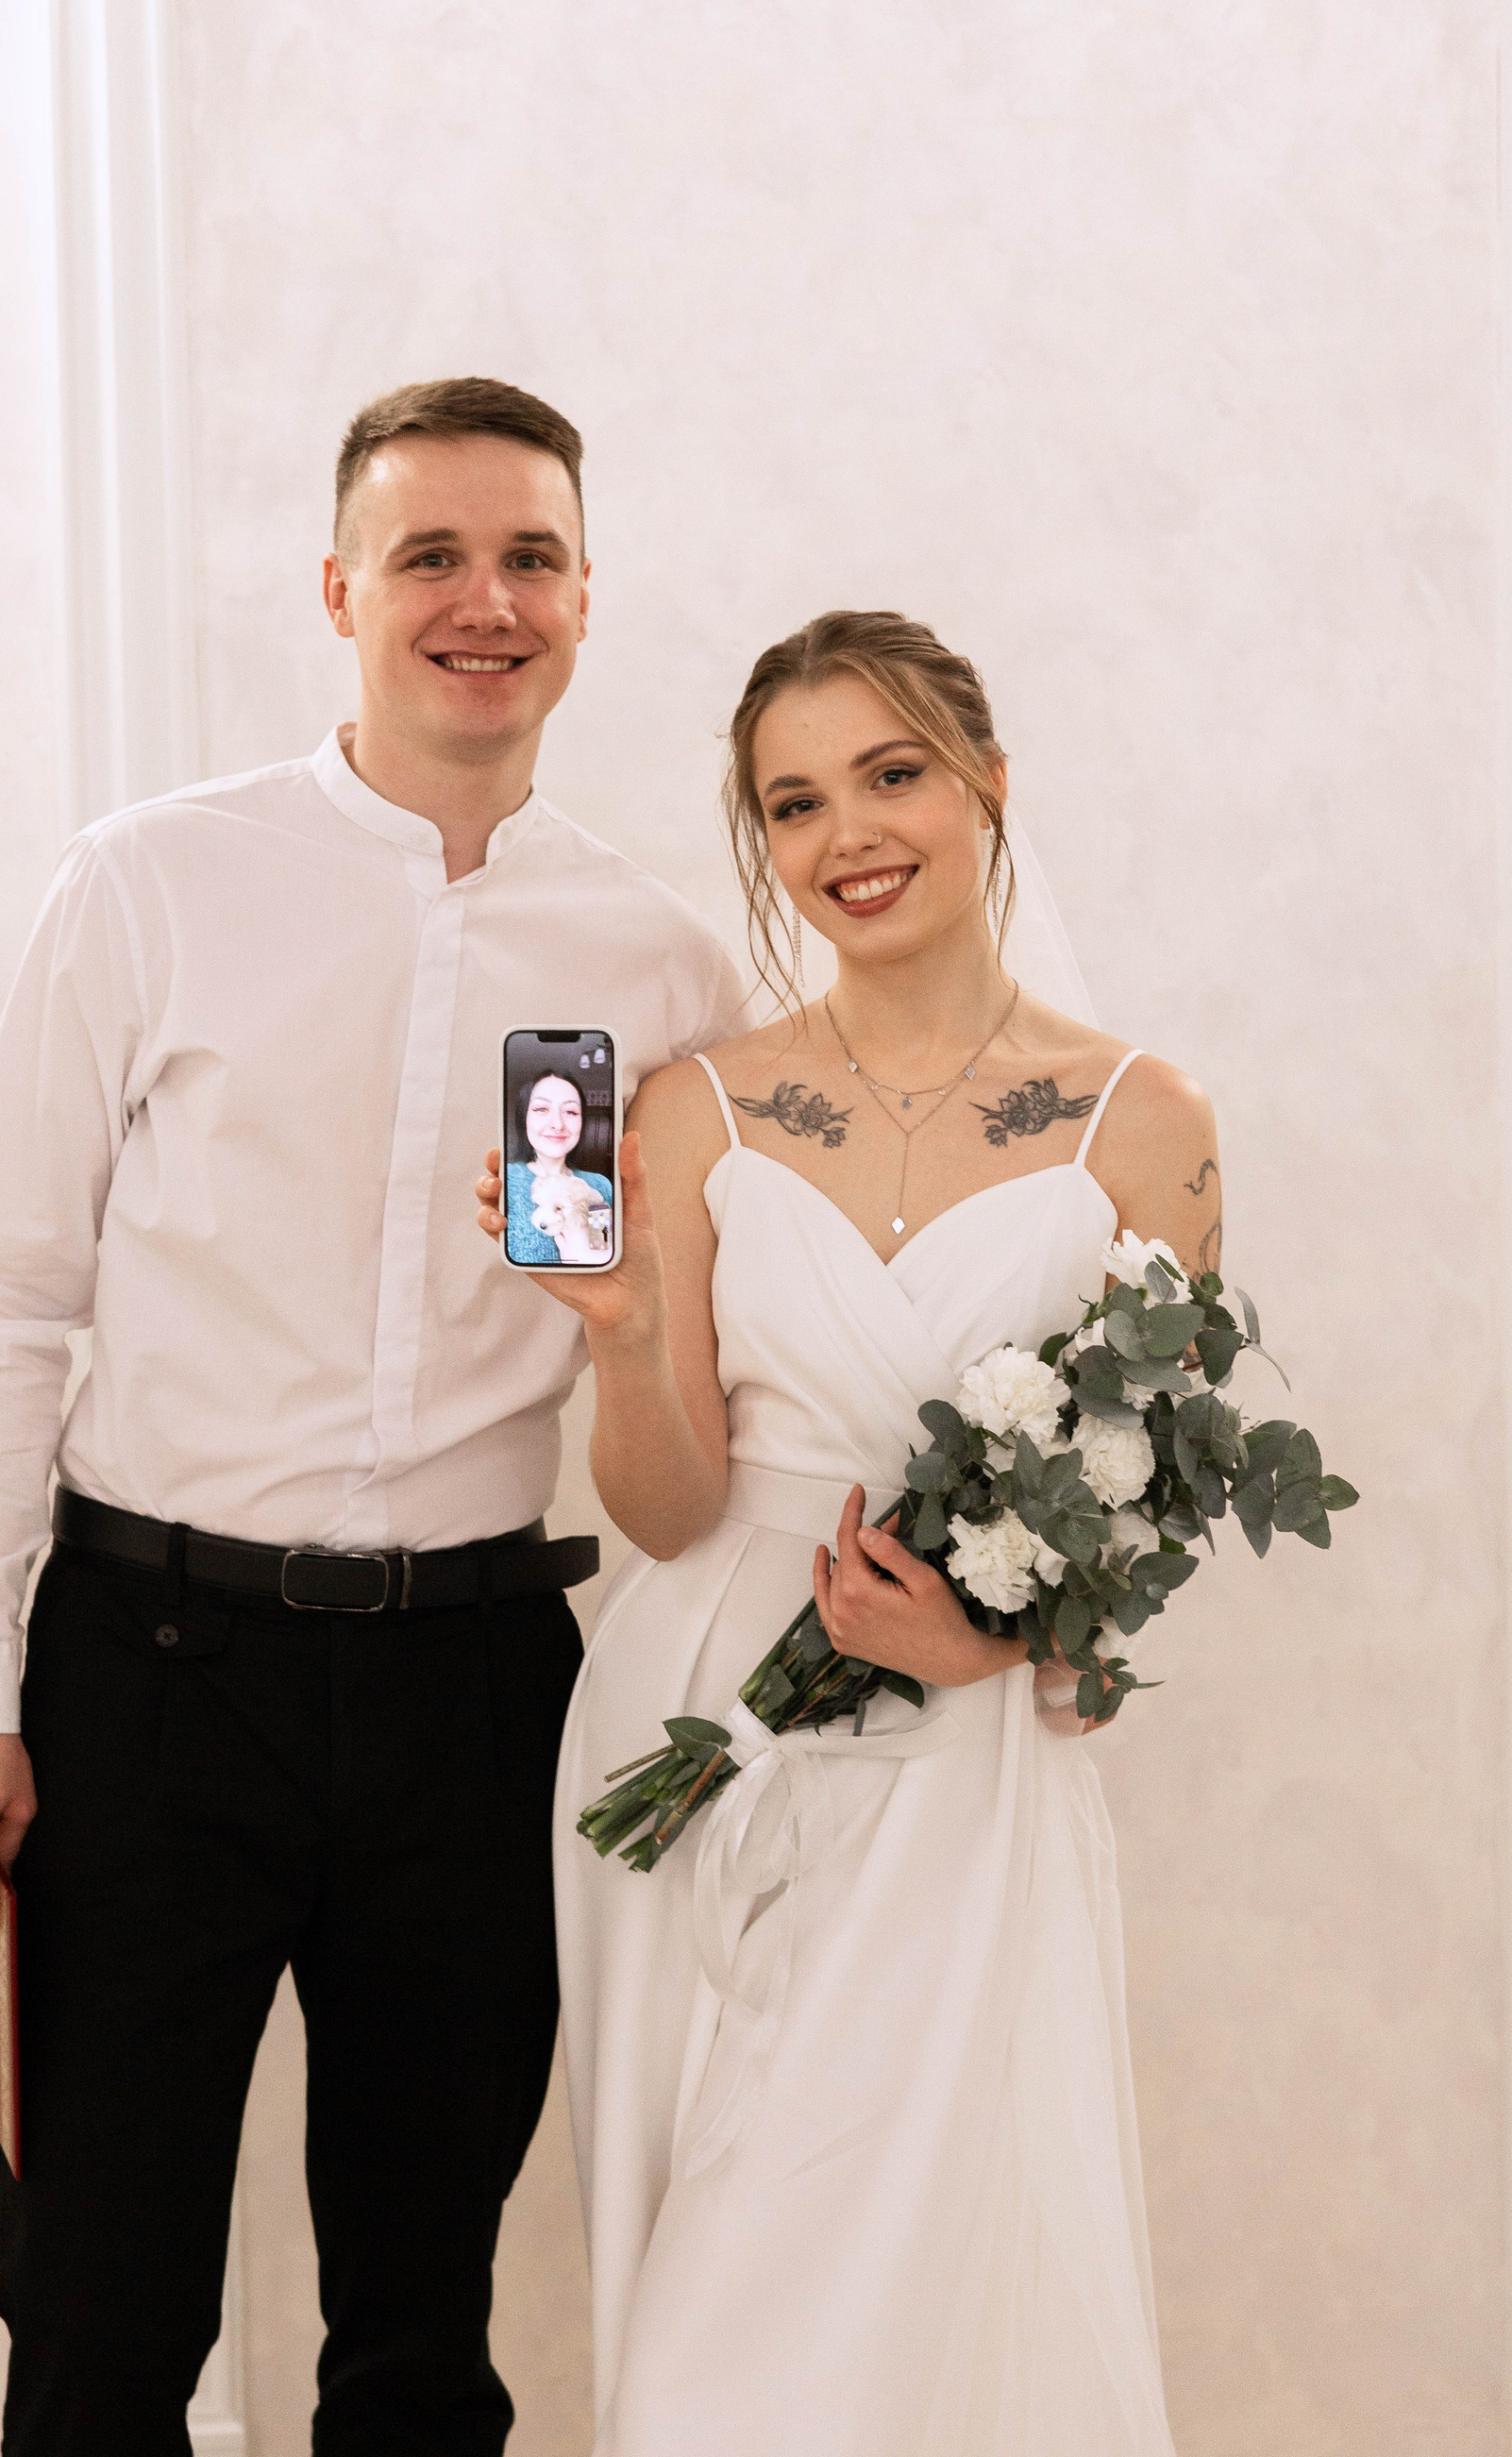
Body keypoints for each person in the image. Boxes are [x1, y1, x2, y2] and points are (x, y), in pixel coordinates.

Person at [0, 375, 746, 2457]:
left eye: (530, 557)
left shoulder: (662, 965)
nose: (484, 601)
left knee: (423, 2334)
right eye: (431, 554)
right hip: (149, 1679)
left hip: (479, 1693)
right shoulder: (151, 885)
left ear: (588, 595)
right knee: (95, 2311)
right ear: (342, 588)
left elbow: (711, 1354)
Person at [477, 611, 1218, 2454]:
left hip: (962, 1760)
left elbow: (1152, 1509)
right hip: (700, 1732)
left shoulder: (1146, 1122)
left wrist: (990, 1640)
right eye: (794, 802)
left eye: (891, 774)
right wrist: (624, 1331)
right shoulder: (693, 1109)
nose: (848, 834)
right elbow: (666, 1508)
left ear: (987, 783)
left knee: (920, 2274)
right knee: (715, 2298)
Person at [505, 1067, 615, 1265]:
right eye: (542, 1109)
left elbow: (603, 1246)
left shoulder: (600, 1186)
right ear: (524, 1117)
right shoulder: (506, 1179)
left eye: (570, 1112)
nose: (558, 1124)